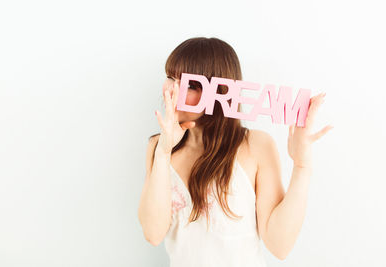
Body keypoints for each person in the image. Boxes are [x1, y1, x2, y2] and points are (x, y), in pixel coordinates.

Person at [138, 37, 333, 266]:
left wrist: (302, 166)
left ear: (218, 92)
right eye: (170, 78)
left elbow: (279, 245)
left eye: (190, 85)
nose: (172, 91)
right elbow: (153, 234)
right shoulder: (158, 148)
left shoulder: (256, 146)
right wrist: (163, 153)